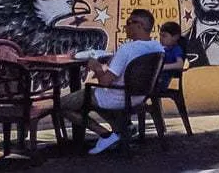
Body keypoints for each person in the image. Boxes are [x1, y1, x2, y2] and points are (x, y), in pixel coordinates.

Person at [59, 8, 164, 155]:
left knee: (61, 106)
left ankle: (106, 135)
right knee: (90, 100)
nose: (125, 26)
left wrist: (96, 68)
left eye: (129, 22)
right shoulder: (157, 48)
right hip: (139, 97)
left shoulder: (126, 49)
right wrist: (113, 61)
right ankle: (122, 128)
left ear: (139, 25)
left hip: (115, 96)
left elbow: (105, 82)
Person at [157, 20, 185, 92]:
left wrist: (163, 67)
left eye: (164, 36)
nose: (161, 38)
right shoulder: (161, 49)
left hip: (164, 79)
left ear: (175, 37)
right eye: (160, 35)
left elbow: (180, 65)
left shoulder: (176, 49)